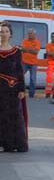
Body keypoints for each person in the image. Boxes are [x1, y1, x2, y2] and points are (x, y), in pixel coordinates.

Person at [0, 21, 28, 152]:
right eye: (1, 31)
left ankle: (14, 143)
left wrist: (22, 89)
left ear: (10, 34)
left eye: (6, 31)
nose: (4, 34)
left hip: (12, 89)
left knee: (13, 116)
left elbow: (19, 71)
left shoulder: (16, 51)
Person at [20, 28, 41, 98]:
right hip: (24, 62)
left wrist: (27, 49)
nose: (29, 35)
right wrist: (31, 49)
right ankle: (21, 91)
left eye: (30, 33)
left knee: (32, 79)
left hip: (33, 63)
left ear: (34, 34)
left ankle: (31, 94)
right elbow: (22, 49)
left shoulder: (37, 42)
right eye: (28, 33)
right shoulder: (24, 40)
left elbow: (36, 52)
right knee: (20, 76)